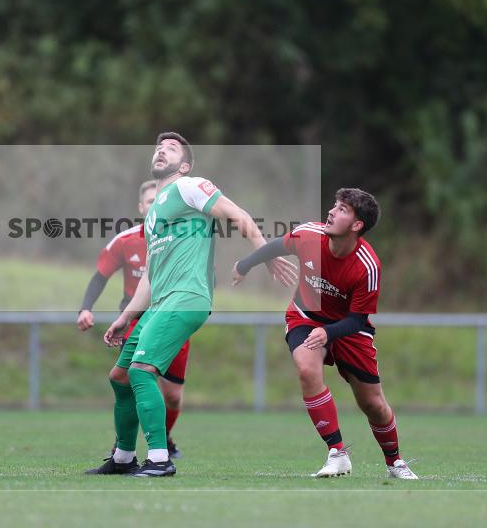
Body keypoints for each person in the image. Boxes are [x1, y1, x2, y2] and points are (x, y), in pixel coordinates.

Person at [86, 132, 297, 477]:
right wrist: (126, 317)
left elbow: (236, 214)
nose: (161, 150)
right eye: (158, 147)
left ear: (183, 165)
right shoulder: (155, 213)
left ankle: (159, 459)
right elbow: (151, 278)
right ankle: (123, 458)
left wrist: (265, 254)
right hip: (161, 302)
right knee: (120, 377)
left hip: (186, 298)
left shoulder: (189, 186)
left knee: (141, 373)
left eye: (171, 149)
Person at [232, 188, 418, 479]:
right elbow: (275, 247)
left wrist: (329, 332)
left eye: (342, 209)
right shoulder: (308, 235)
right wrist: (244, 265)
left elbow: (358, 319)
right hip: (305, 316)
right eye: (334, 205)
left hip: (347, 329)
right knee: (307, 369)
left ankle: (395, 462)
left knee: (372, 404)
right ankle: (337, 453)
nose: (331, 211)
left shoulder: (367, 266)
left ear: (357, 225)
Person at [77, 180, 189, 459]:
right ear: (141, 207)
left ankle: (163, 437)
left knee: (173, 396)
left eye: (159, 200)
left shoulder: (182, 239)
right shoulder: (125, 241)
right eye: (150, 201)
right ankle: (124, 447)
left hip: (172, 317)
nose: (155, 205)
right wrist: (86, 308)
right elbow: (100, 276)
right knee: (127, 378)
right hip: (136, 320)